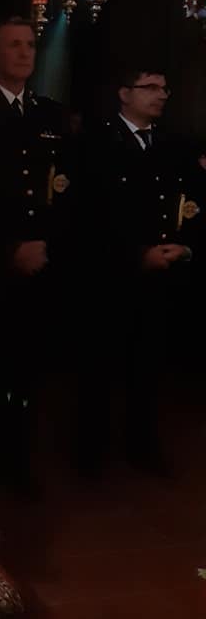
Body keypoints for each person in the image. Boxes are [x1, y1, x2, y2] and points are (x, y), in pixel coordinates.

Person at [75, 64, 206, 476]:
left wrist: (185, 247)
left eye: (165, 88)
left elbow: (194, 202)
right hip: (110, 275)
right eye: (150, 87)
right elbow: (89, 215)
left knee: (148, 367)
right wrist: (135, 255)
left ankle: (143, 445)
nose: (161, 94)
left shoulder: (174, 145)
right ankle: (90, 454)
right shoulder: (97, 142)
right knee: (100, 367)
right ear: (124, 93)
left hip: (162, 274)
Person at [0, 17, 75, 494]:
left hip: (41, 259)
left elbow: (66, 190)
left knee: (27, 367)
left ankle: (18, 459)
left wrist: (45, 244)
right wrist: (9, 248)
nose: (25, 52)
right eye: (13, 45)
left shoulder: (51, 116)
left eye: (30, 44)